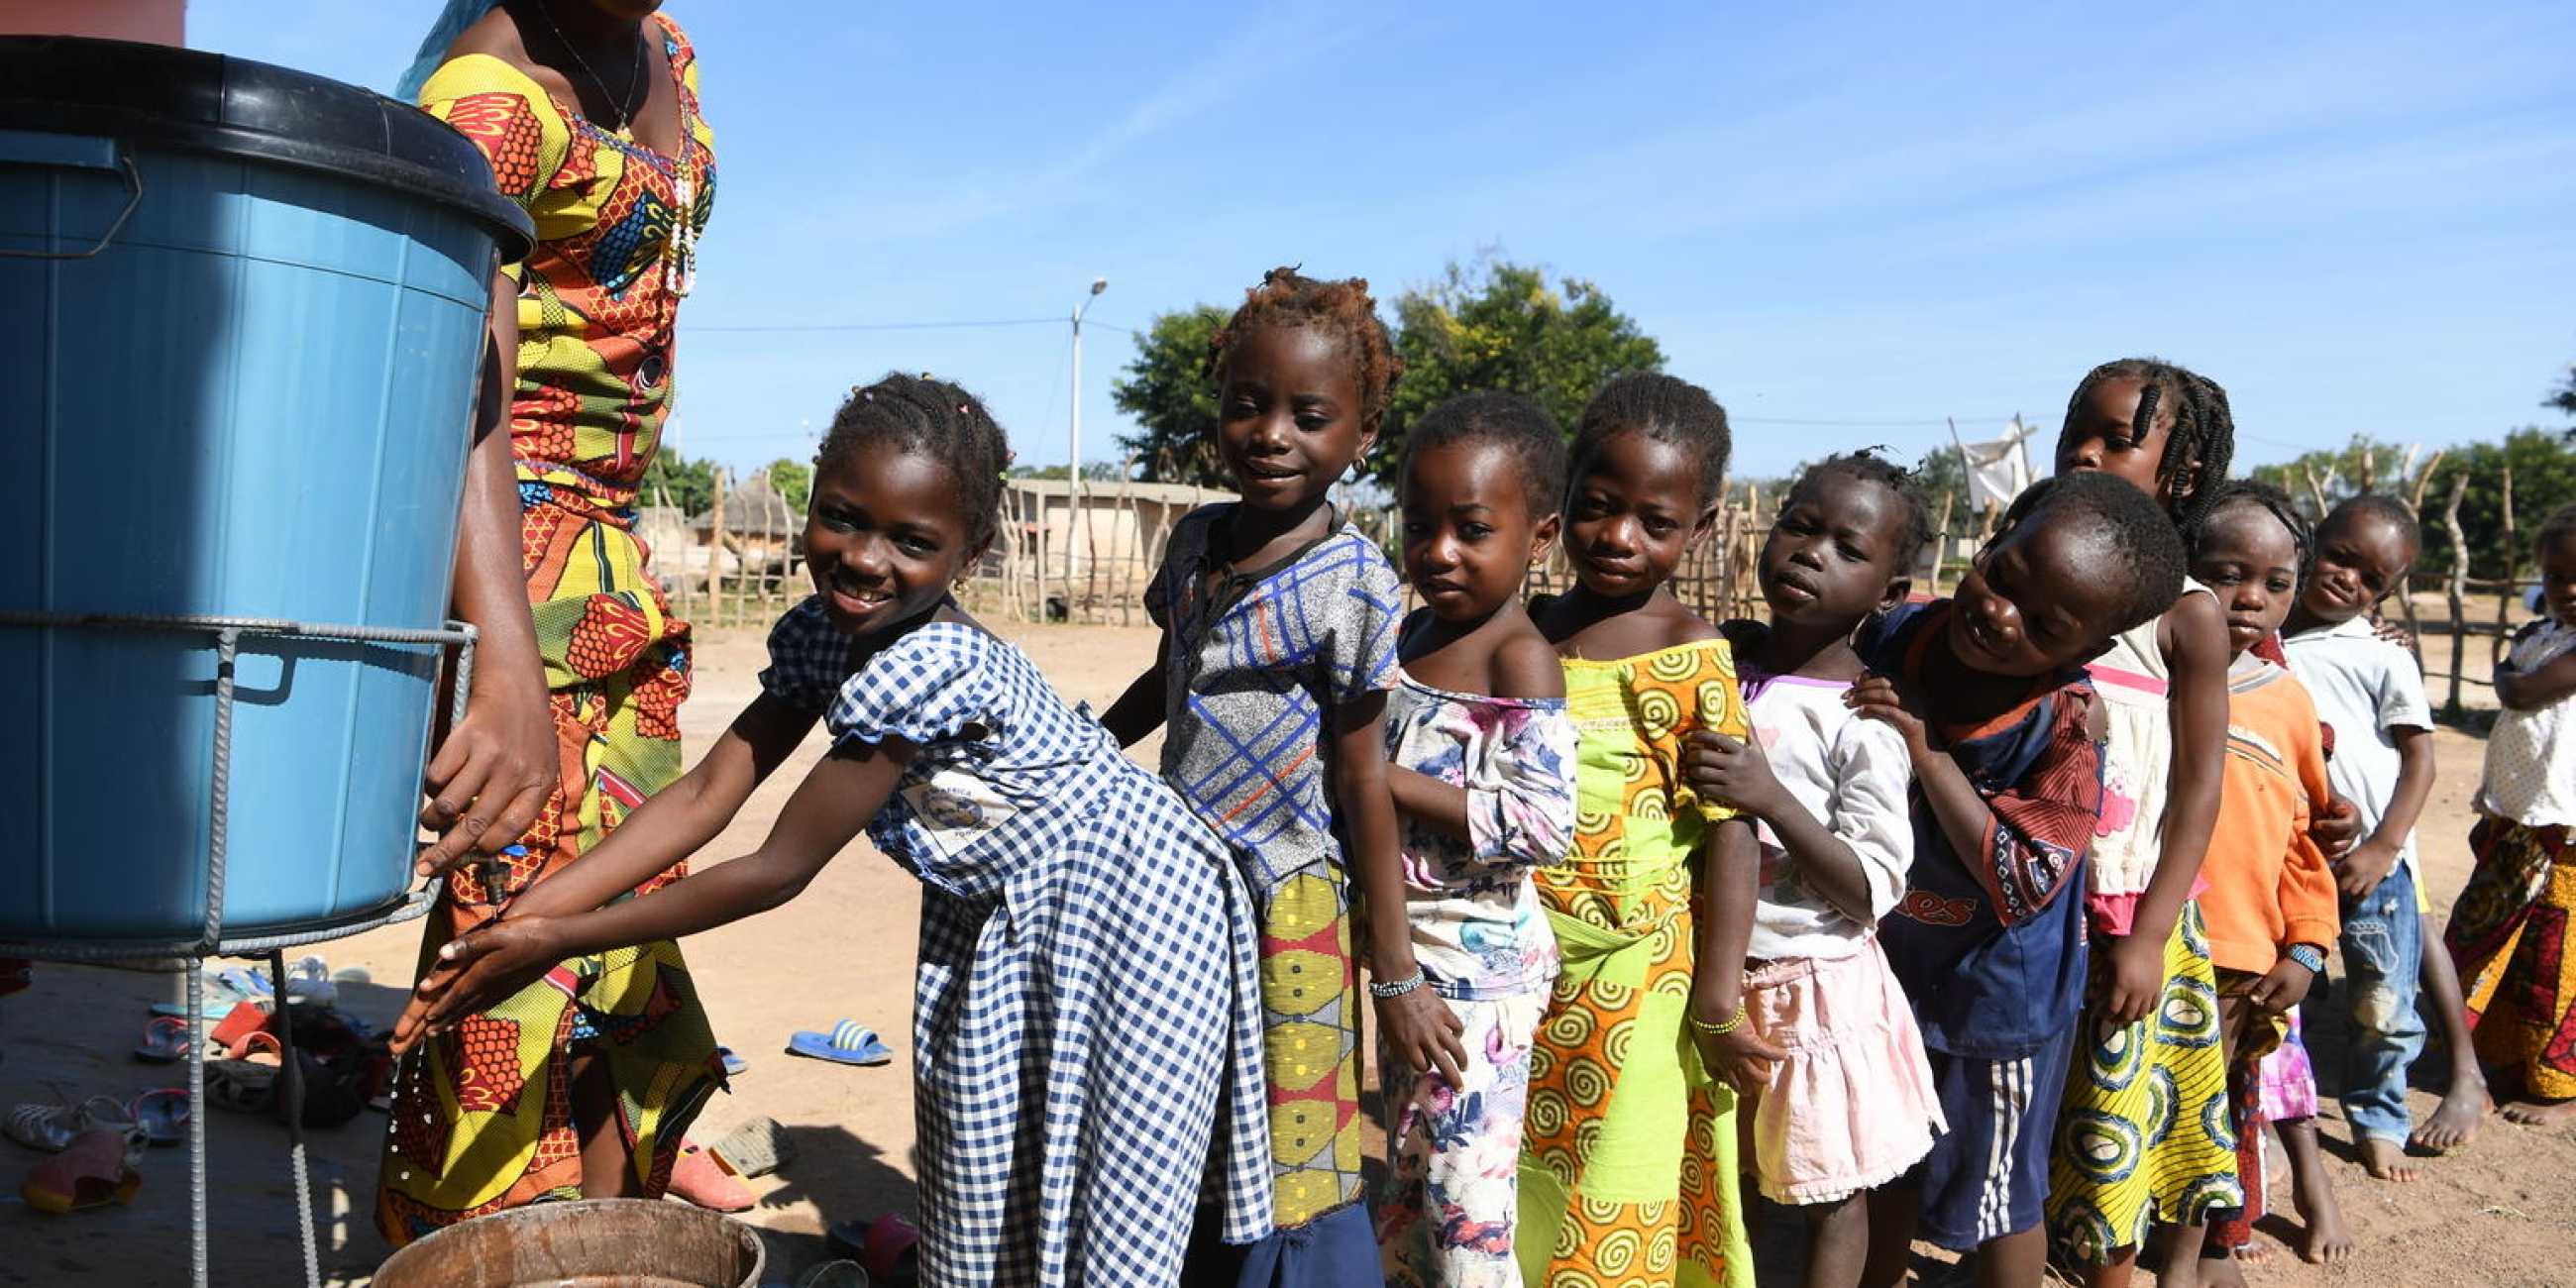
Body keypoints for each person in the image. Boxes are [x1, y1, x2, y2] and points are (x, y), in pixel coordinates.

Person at [393, 375, 1273, 1286]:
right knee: (982, 1166)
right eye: (844, 518)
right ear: (812, 494)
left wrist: (558, 939)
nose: (864, 559)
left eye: (913, 542)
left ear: (968, 556)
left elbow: (778, 866)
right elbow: (703, 796)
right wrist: (527, 921)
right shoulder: (822, 632)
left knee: (1104, 1181)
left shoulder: (931, 664)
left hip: (1137, 908)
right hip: (1006, 915)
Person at [380, 0, 721, 1239]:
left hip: (613, 566)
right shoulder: (487, 98)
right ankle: (477, 1247)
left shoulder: (660, 48)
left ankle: (603, 1249)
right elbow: (455, 376)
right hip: (506, 568)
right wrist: (504, 668)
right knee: (516, 944)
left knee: (615, 937)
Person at [1101, 268, 1406, 1284]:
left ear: (1360, 436)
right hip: (1179, 884)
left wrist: (1390, 965)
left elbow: (1362, 777)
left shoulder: (1354, 582)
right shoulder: (1193, 543)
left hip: (1293, 897)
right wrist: (1092, 750)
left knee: (1300, 1136)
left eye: (1309, 416)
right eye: (1247, 404)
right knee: (1181, 1106)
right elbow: (1172, 673)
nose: (1271, 432)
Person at [1854, 472, 2187, 1288]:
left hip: (1996, 1000)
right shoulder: (1903, 635)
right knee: (1887, 1158)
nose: (2000, 615)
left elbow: (2022, 877)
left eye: (2045, 624)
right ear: (1993, 539)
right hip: (1894, 967)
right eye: (2003, 577)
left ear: (2087, 650)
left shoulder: (2064, 731)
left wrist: (1928, 751)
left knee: (2001, 1197)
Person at [1515, 373, 1775, 1288]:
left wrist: (1716, 1000)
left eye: (1655, 523)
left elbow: (1732, 831)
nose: (1619, 538)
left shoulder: (1689, 654)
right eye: (1597, 507)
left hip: (1639, 980)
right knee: (1519, 1178)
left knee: (1613, 1186)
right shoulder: (1525, 635)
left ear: (1699, 530)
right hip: (1524, 966)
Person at [1677, 454, 1944, 1288]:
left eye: (1846, 547)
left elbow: (1872, 888)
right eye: (1799, 525)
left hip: (1807, 988)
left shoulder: (1860, 718)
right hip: (1699, 969)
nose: (1809, 552)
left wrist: (1774, 803)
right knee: (1730, 1173)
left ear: (1890, 593)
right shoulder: (1717, 664)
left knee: (1829, 1187)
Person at [2039, 359, 2243, 1288]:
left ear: (2182, 475)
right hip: (2023, 904)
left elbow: (2200, 785)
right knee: (2017, 1111)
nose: (2084, 448)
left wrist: (2152, 934)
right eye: (2079, 425)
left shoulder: (2185, 617)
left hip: (2125, 911)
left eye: (2118, 439)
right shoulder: (2025, 586)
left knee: (2106, 1139)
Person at [1370, 393, 1579, 1288]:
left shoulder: (1517, 658)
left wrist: (1388, 785)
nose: (1439, 551)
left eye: (1471, 529)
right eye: (1421, 525)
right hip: (1412, 965)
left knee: (1468, 1209)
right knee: (1411, 1183)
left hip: (1476, 988)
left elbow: (1543, 822)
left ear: (1539, 537)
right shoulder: (1413, 632)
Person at [2280, 494, 2483, 1173]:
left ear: (2387, 593)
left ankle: (2378, 1114)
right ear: (2313, 539)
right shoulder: (2260, 631)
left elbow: (2421, 759)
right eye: (2340, 556)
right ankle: (2276, 1115)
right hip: (2285, 854)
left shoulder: (2380, 653)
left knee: (2383, 1001)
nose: (2347, 579)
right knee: (2280, 995)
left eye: (2371, 578)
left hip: (2370, 863)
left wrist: (2384, 846)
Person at [2173, 483, 2340, 1285]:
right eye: (2226, 572)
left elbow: (2306, 837)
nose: (2250, 598)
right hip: (2139, 935)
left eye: (2276, 584)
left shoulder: (2289, 704)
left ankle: (2207, 1244)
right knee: (2129, 1096)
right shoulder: (2145, 678)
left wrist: (2308, 942)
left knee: (2218, 1103)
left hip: (2241, 948)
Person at [2447, 502, 2576, 1127]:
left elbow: (2520, 689)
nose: (2569, 590)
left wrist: (2509, 672)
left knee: (2557, 960)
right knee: (2495, 940)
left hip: (2569, 834)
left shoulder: (2549, 647)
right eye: (2556, 578)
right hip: (2518, 820)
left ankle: (2558, 1083)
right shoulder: (2544, 636)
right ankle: (2495, 1055)